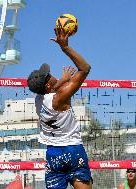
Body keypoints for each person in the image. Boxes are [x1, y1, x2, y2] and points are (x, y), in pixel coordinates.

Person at [27, 27, 92, 189]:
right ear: (48, 84)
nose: (52, 74)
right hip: (72, 150)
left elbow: (51, 90)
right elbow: (85, 68)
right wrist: (65, 47)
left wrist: (61, 81)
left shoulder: (38, 100)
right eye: (49, 75)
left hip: (53, 154)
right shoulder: (60, 97)